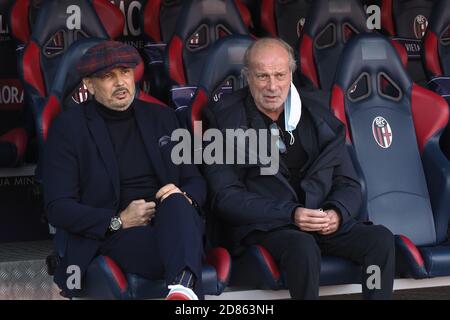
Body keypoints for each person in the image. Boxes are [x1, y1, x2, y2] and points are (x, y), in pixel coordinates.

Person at [202, 38, 395, 299]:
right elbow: (225, 197)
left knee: (380, 239)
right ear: (247, 77)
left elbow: (348, 182)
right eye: (262, 76)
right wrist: (291, 214)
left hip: (320, 221)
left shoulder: (318, 111)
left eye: (280, 75)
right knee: (301, 245)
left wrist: (336, 212)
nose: (272, 86)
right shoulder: (222, 119)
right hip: (266, 227)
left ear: (290, 74)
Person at [43, 41, 205, 300]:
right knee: (181, 248)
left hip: (173, 221)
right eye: (108, 76)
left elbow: (194, 180)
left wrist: (185, 199)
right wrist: (118, 221)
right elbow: (58, 208)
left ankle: (182, 292)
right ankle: (184, 289)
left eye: (126, 72)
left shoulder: (163, 118)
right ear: (89, 85)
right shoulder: (68, 129)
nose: (120, 82)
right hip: (117, 233)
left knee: (176, 203)